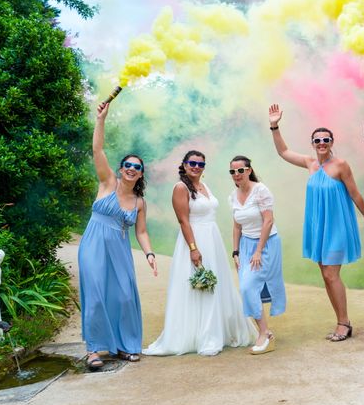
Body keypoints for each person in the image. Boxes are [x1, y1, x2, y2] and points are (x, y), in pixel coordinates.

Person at [269, 104, 364, 341]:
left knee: (332, 274)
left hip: (337, 228)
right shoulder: (310, 164)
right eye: (317, 140)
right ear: (312, 144)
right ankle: (341, 320)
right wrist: (274, 125)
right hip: (319, 228)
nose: (322, 143)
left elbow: (355, 194)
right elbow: (283, 152)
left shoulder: (341, 165)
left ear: (332, 142)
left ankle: (344, 323)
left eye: (326, 139)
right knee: (325, 274)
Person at [143, 150, 256, 356]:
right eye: (192, 163)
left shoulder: (204, 186)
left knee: (216, 284)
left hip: (213, 239)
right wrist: (194, 249)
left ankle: (220, 332)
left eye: (200, 164)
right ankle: (203, 335)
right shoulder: (181, 187)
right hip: (194, 240)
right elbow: (183, 220)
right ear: (185, 165)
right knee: (199, 287)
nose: (196, 166)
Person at [78, 101, 158, 370]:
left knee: (123, 295)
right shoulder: (107, 182)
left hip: (120, 249)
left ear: (141, 173)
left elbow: (142, 231)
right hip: (93, 244)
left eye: (137, 166)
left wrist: (149, 253)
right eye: (128, 164)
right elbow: (97, 149)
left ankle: (125, 345)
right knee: (96, 292)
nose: (132, 168)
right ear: (121, 167)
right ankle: (93, 351)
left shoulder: (139, 203)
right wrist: (101, 119)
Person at [229, 155, 286, 355]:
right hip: (245, 246)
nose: (237, 174)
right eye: (233, 171)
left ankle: (264, 334)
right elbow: (237, 226)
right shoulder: (233, 196)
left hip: (266, 244)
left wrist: (258, 251)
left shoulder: (261, 191)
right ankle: (265, 332)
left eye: (240, 170)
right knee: (246, 288)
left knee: (248, 286)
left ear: (249, 170)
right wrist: (235, 251)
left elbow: (268, 221)